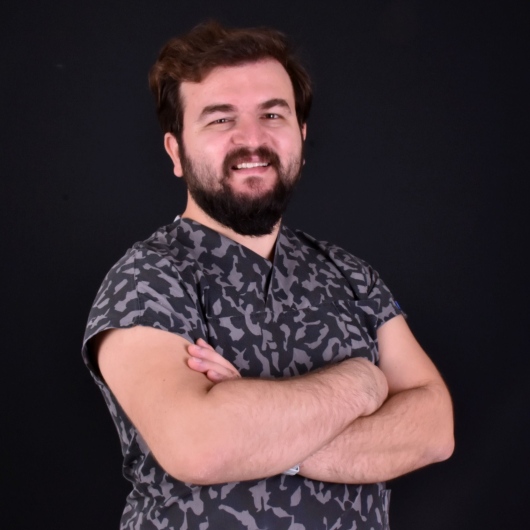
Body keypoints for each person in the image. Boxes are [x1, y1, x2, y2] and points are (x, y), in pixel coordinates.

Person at [83, 20, 454, 530]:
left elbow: (435, 429)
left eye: (272, 114)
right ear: (176, 152)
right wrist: (364, 383)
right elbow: (199, 446)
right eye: (220, 119)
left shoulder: (349, 275)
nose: (252, 139)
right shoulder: (147, 278)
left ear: (301, 135)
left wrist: (259, 432)